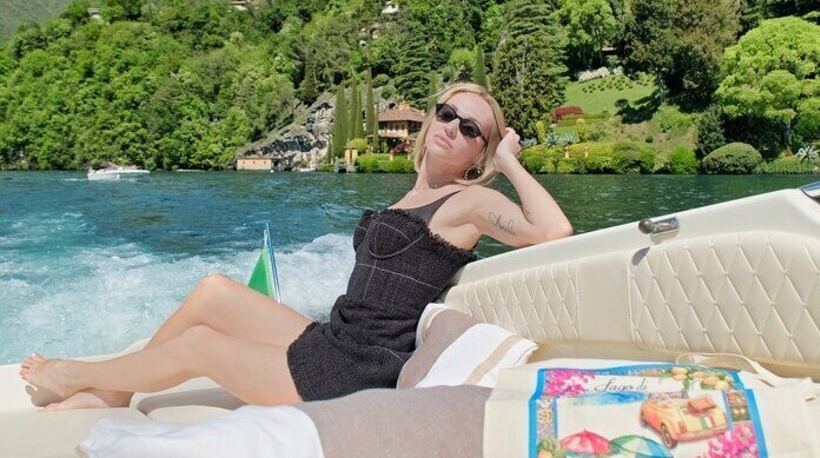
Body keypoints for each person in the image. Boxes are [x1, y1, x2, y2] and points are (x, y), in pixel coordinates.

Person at [20, 82, 573, 410]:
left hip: (354, 370)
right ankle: (119, 390)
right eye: (447, 113)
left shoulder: (467, 201)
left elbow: (553, 231)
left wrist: (509, 162)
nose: (453, 127)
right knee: (212, 292)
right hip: (335, 336)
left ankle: (78, 376)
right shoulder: (413, 194)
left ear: (479, 154)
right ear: (432, 119)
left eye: (472, 129)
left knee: (201, 346)